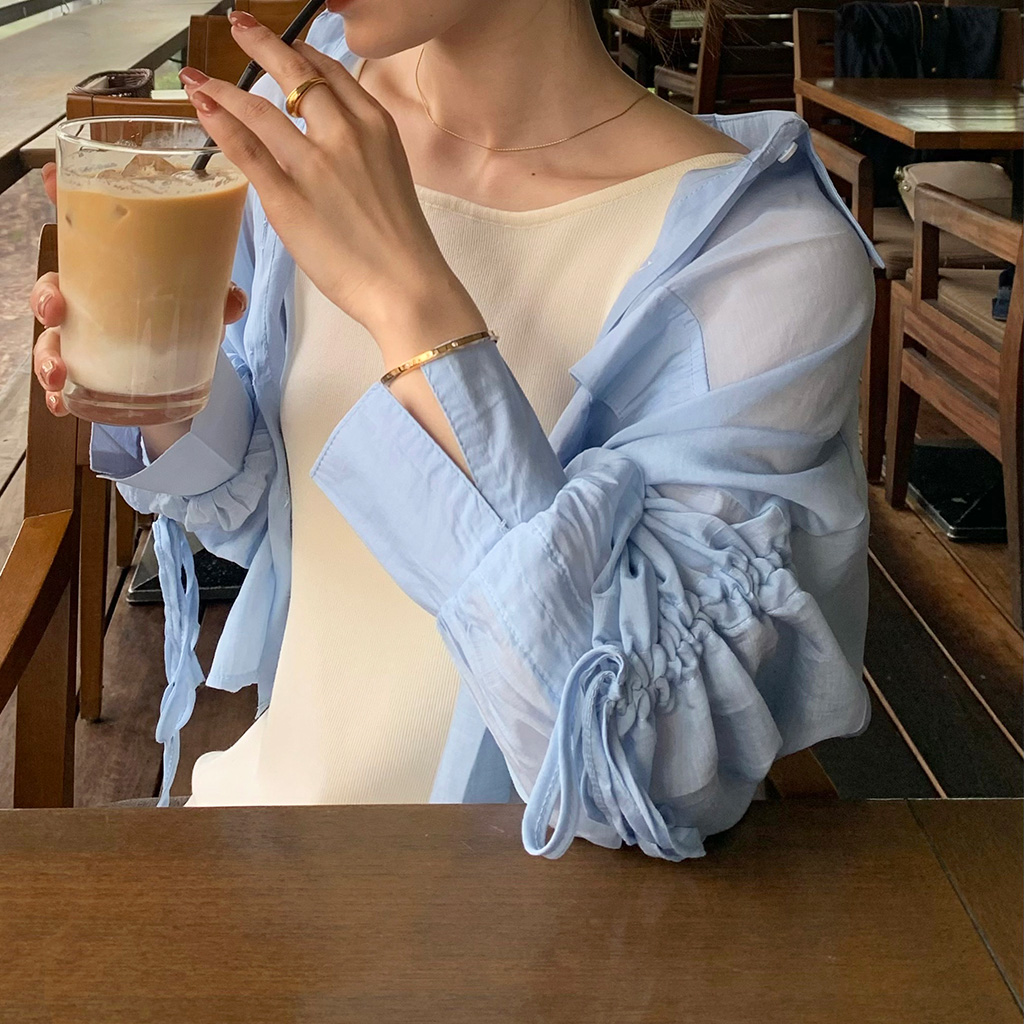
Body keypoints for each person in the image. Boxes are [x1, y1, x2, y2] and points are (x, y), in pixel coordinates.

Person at [30, 0, 881, 860]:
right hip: (270, 841)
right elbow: (276, 512)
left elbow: (639, 766)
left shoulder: (768, 257)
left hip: (525, 912)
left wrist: (406, 299)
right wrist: (165, 390)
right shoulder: (320, 117)